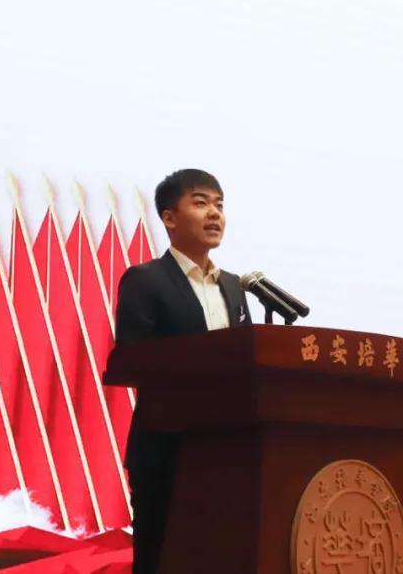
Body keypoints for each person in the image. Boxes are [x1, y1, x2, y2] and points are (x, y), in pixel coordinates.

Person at [113, 168, 252, 574]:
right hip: (166, 445)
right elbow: (133, 358)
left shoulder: (235, 287)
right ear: (169, 218)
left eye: (220, 205)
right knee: (162, 556)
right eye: (201, 202)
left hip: (228, 447)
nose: (215, 213)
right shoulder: (145, 280)